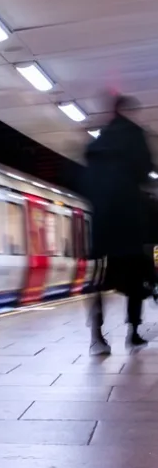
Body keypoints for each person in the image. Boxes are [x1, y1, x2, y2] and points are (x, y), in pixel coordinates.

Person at [83, 93, 154, 354]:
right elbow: (145, 171)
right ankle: (133, 333)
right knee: (135, 280)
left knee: (99, 281)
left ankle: (97, 337)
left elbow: (88, 179)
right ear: (127, 111)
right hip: (128, 221)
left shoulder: (97, 144)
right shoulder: (135, 136)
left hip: (103, 224)